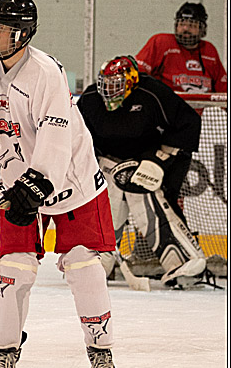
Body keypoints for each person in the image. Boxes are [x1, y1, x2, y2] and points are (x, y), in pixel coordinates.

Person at [0, 0, 118, 368]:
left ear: (22, 34)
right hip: (18, 178)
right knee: (14, 266)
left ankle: (101, 350)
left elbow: (57, 130)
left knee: (82, 265)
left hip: (71, 182)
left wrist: (39, 180)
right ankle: (5, 350)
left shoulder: (46, 72)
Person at [77, 55, 208, 288]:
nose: (108, 91)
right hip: (108, 162)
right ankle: (99, 263)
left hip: (149, 158)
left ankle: (183, 261)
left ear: (131, 82)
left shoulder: (152, 93)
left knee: (147, 199)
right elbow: (77, 136)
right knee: (107, 206)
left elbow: (188, 124)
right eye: (105, 84)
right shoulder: (89, 99)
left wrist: (159, 159)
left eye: (115, 84)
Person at [135, 2, 227, 94]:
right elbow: (138, 71)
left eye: (192, 25)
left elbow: (223, 88)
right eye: (181, 24)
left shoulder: (209, 50)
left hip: (203, 106)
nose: (185, 28)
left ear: (202, 29)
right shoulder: (161, 42)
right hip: (168, 105)